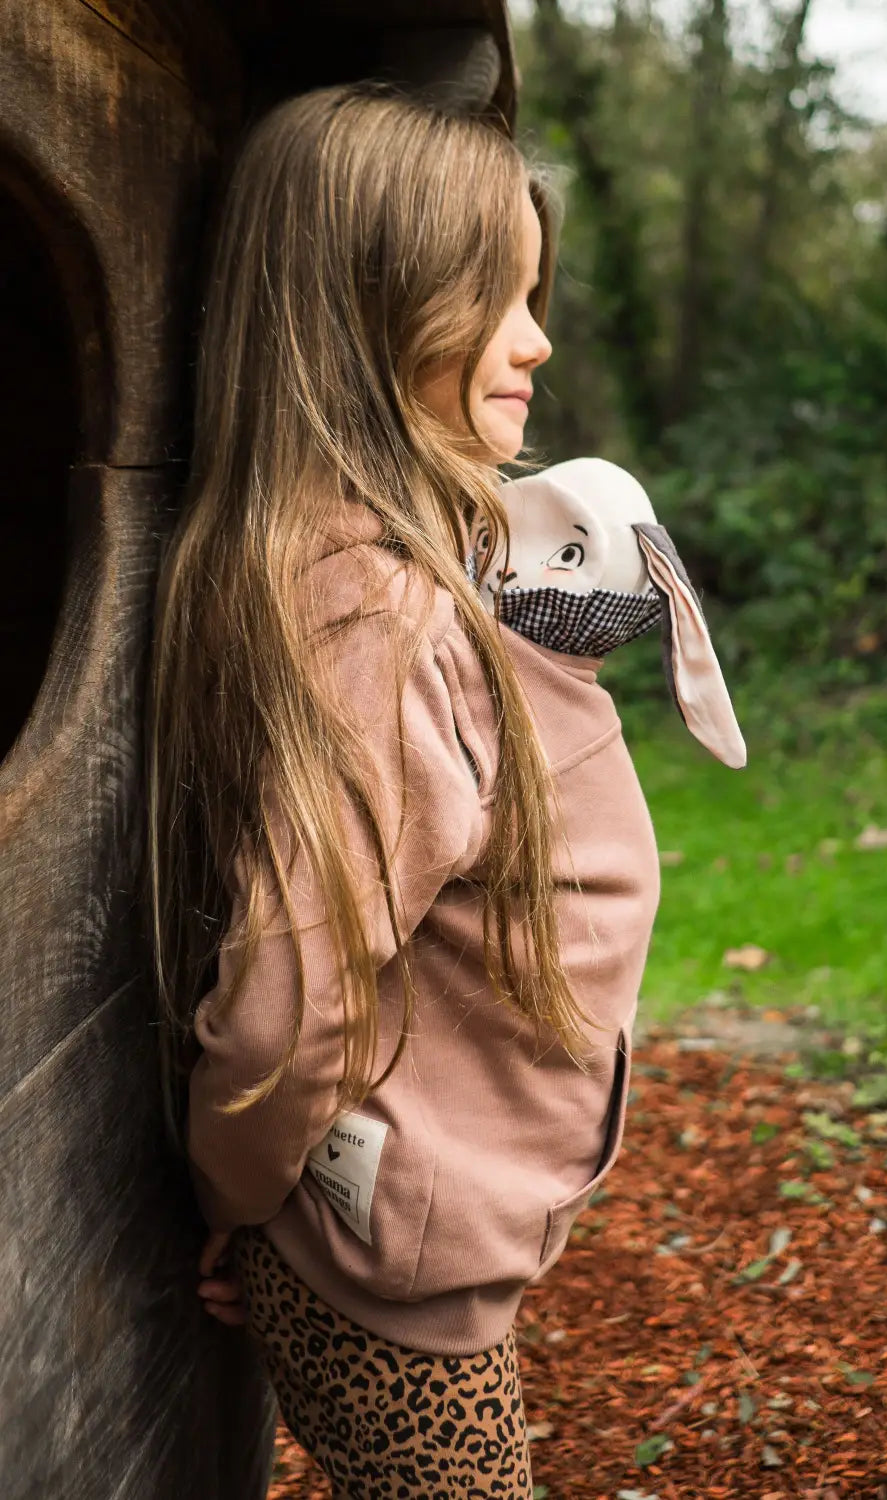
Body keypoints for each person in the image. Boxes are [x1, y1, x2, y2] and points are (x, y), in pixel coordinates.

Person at [148, 82, 662, 1498]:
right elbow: (286, 1002)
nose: (538, 338)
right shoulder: (371, 621)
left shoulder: (385, 573)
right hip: (387, 1275)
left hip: (397, 1248)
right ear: (369, 309)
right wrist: (247, 1204)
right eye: (498, 295)